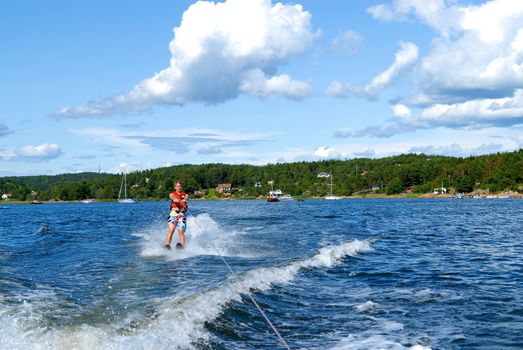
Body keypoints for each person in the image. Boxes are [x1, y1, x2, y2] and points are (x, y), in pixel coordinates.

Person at [164, 181, 189, 250]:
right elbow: (173, 199)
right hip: (173, 214)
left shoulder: (186, 194)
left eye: (180, 186)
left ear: (182, 187)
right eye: (177, 186)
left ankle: (181, 245)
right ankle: (167, 245)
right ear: (175, 187)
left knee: (181, 230)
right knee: (171, 229)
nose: (179, 188)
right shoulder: (172, 194)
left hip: (181, 214)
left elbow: (186, 199)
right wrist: (178, 200)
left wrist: (183, 200)